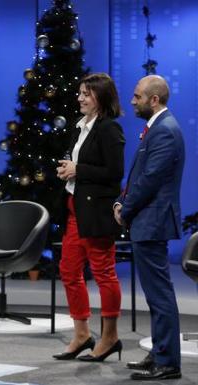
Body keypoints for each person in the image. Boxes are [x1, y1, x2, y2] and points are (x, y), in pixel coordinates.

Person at [114, 75, 184, 380]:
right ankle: (159, 353)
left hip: (152, 221)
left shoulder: (165, 131)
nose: (132, 101)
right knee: (156, 294)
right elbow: (139, 175)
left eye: (137, 96)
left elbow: (150, 180)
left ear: (153, 99)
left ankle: (167, 361)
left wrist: (125, 210)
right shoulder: (157, 128)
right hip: (146, 220)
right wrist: (122, 202)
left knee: (159, 295)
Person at [53, 73, 125, 362]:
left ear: (102, 98)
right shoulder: (80, 127)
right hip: (75, 210)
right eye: (80, 92)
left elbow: (115, 173)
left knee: (104, 273)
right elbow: (79, 163)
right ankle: (82, 334)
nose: (80, 98)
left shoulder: (109, 129)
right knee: (69, 271)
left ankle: (110, 337)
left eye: (87, 93)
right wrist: (67, 171)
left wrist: (78, 170)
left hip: (96, 213)